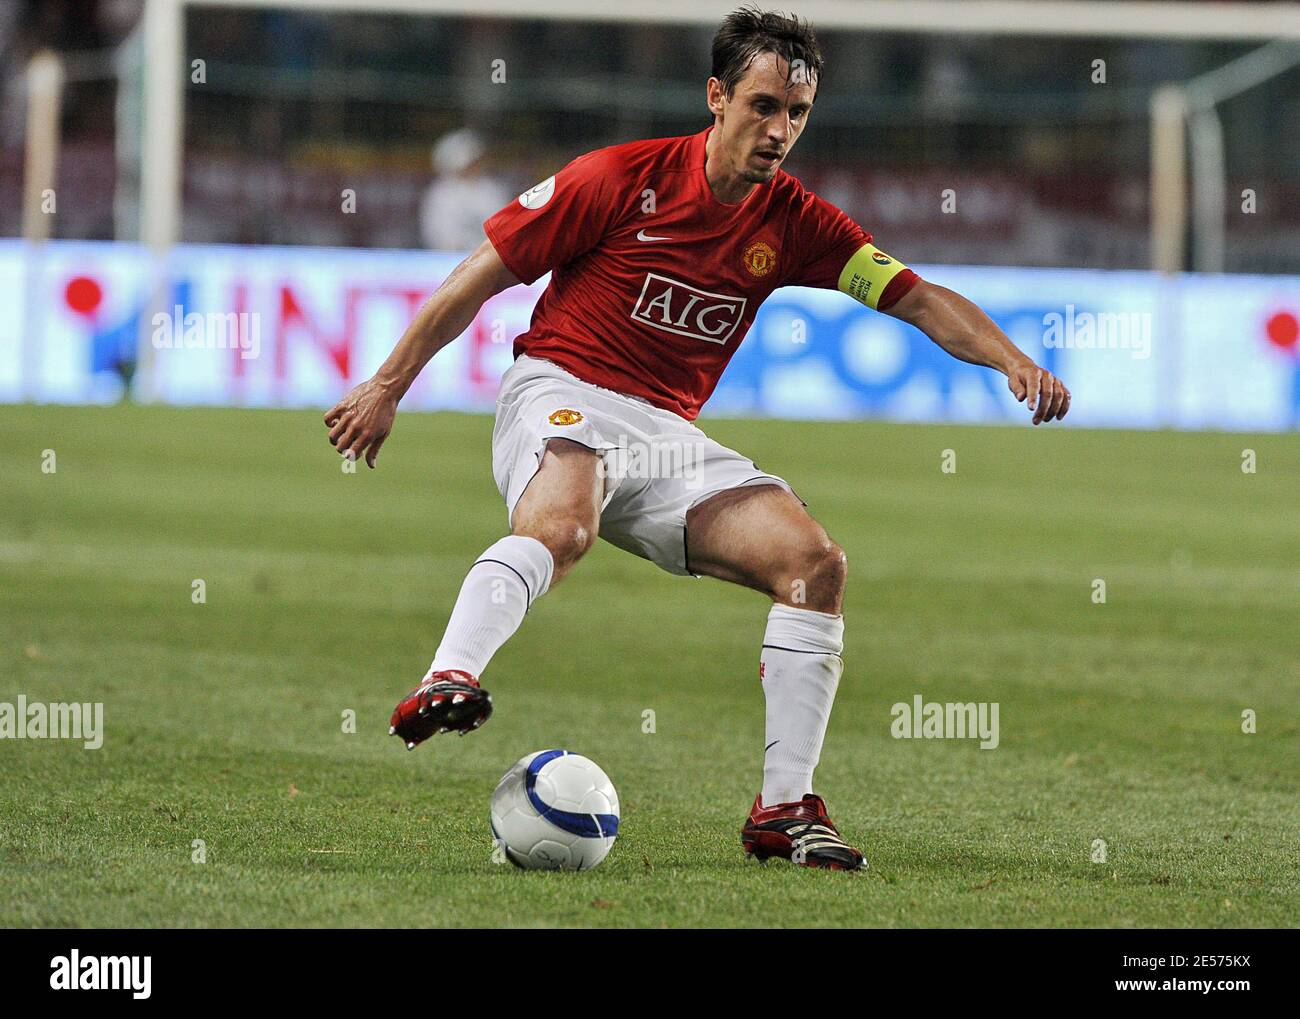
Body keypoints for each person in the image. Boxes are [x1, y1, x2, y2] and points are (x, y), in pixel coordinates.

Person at [324, 6, 1070, 872]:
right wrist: (387, 386)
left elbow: (916, 296)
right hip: (563, 391)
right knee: (563, 526)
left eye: (796, 113)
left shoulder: (795, 222)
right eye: (762, 106)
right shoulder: (617, 178)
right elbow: (480, 275)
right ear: (717, 97)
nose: (779, 130)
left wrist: (1011, 359)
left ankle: (784, 810)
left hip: (667, 437)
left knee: (814, 565)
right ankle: (449, 673)